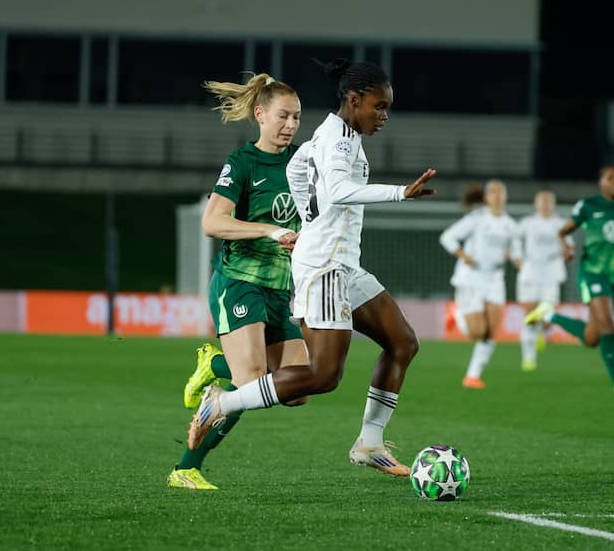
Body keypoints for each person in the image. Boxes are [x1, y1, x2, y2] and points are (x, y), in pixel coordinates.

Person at [187, 59, 437, 477]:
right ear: (354, 100)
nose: (384, 116)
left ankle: (369, 442)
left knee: (403, 342)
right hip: (324, 268)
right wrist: (400, 193)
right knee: (322, 376)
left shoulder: (335, 134)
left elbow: (296, 167)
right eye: (378, 106)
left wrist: (309, 217)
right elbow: (337, 190)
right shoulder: (338, 140)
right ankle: (222, 403)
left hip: (343, 264)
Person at [167, 72, 310, 490]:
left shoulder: (304, 163)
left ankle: (214, 365)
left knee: (300, 387)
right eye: (283, 116)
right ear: (260, 114)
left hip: (280, 289)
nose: (290, 125)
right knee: (251, 380)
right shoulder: (243, 163)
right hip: (239, 282)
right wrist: (269, 231)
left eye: (297, 118)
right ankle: (186, 468)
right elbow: (212, 222)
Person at [524, 166, 614, 411]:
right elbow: (563, 231)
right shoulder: (588, 206)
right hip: (592, 274)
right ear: (601, 182)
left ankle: (549, 315)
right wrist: (566, 247)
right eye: (610, 178)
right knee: (608, 328)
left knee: (593, 338)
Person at [439, 179, 519, 389]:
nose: (497, 195)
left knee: (491, 332)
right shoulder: (476, 218)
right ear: (486, 198)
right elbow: (447, 237)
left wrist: (520, 263)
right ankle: (457, 314)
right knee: (477, 333)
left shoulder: (511, 225)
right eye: (492, 192)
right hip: (471, 278)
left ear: (505, 196)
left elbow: (516, 252)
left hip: (495, 279)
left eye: (500, 191)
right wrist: (464, 256)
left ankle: (472, 376)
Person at [514, 190, 568, 371]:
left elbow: (568, 247)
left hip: (551, 275)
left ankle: (542, 332)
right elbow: (514, 241)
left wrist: (567, 252)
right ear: (536, 204)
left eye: (548, 201)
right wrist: (518, 260)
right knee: (530, 316)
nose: (545, 204)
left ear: (553, 204)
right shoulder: (527, 223)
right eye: (542, 201)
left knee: (547, 319)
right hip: (530, 274)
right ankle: (528, 359)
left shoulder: (561, 224)